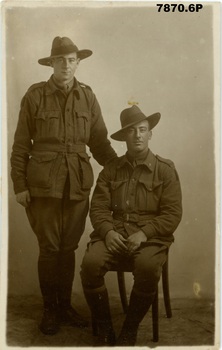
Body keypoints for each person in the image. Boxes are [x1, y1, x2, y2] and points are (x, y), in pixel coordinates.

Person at [10, 36, 117, 336]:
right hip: (42, 185)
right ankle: (49, 310)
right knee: (49, 249)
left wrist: (119, 169)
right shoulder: (35, 96)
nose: (66, 65)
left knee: (68, 249)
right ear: (51, 63)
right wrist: (20, 184)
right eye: (60, 60)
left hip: (77, 184)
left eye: (71, 60)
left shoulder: (87, 96)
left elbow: (99, 142)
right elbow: (20, 146)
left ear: (78, 63)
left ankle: (65, 306)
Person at [80, 104, 182, 346]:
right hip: (114, 232)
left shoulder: (165, 170)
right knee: (90, 265)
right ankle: (105, 327)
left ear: (150, 134)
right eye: (132, 131)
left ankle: (130, 329)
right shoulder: (111, 170)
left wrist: (145, 234)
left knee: (147, 267)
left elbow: (172, 214)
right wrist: (107, 232)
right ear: (124, 136)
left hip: (151, 238)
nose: (137, 135)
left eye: (142, 130)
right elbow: (98, 208)